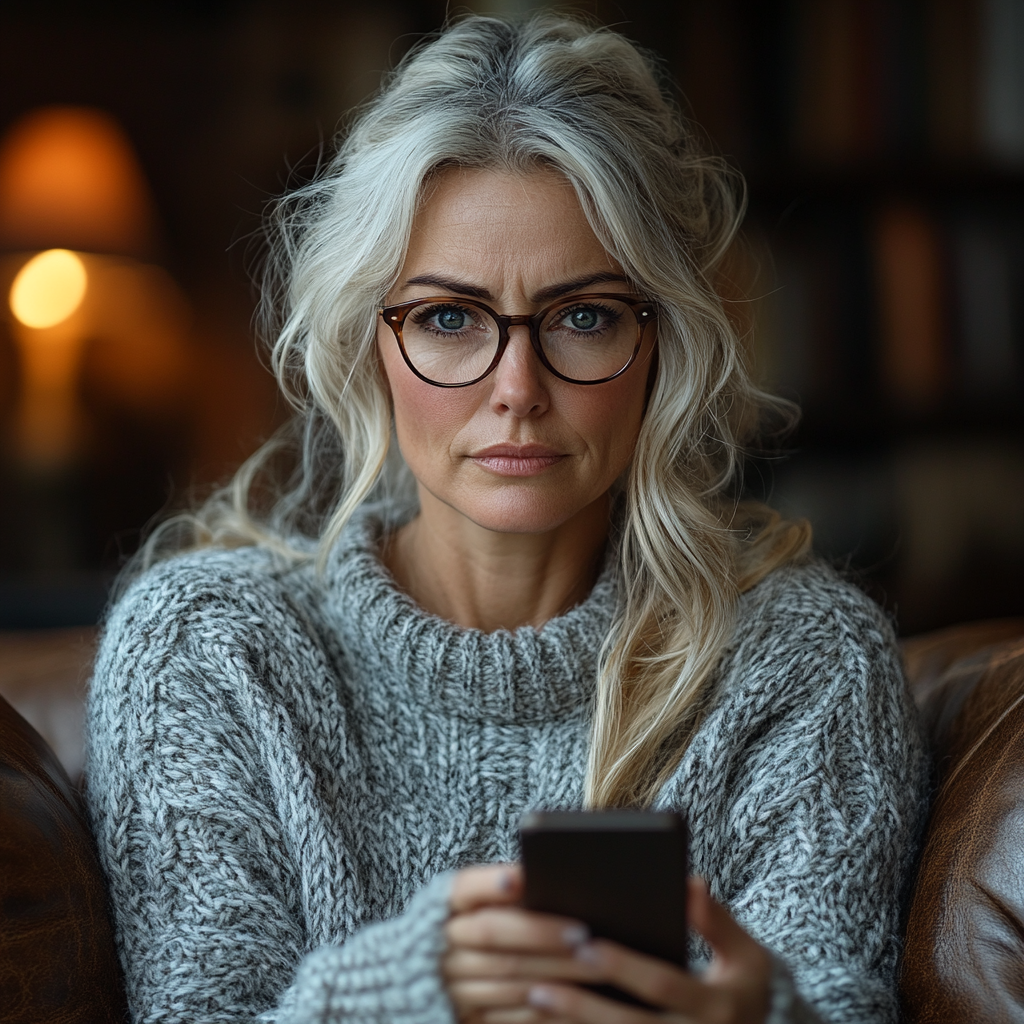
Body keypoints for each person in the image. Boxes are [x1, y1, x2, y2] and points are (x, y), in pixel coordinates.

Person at [86, 13, 927, 1024]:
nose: (516, 388)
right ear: (367, 341)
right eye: (448, 318)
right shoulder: (208, 650)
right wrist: (399, 993)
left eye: (584, 316)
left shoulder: (801, 662)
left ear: (666, 342)